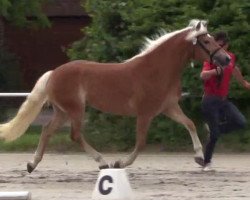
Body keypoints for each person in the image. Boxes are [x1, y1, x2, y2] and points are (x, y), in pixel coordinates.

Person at [200, 31, 250, 171]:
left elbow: (235, 70)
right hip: (210, 100)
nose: (221, 48)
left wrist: (245, 84)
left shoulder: (230, 57)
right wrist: (216, 71)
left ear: (227, 45)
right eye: (219, 45)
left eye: (223, 45)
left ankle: (214, 130)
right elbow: (203, 75)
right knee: (215, 135)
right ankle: (207, 162)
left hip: (223, 100)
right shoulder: (210, 59)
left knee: (240, 122)